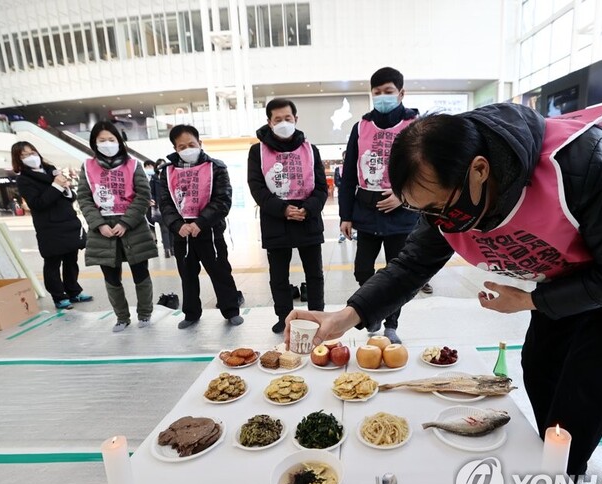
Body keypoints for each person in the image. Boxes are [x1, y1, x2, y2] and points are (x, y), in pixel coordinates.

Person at [286, 103, 602, 476]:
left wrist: (532, 300)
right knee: (540, 363)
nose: (436, 222)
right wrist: (346, 316)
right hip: (566, 269)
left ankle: (564, 474)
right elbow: (412, 264)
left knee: (587, 376)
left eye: (439, 209)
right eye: (423, 211)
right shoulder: (446, 193)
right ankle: (552, 445)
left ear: (479, 169)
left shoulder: (585, 163)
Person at [338, 66, 426, 344]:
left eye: (388, 91)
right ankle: (373, 310)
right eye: (376, 92)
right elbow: (349, 174)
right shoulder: (360, 127)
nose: (382, 97)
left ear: (401, 93)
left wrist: (403, 196)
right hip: (366, 211)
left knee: (396, 273)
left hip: (402, 214)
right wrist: (345, 215)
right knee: (362, 269)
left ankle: (391, 324)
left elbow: (425, 171)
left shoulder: (415, 125)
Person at [247, 98, 327, 334]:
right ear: (269, 122)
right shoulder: (257, 151)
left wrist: (308, 209)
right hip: (275, 221)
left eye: (288, 118)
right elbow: (256, 187)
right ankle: (284, 317)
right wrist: (282, 209)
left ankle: (316, 316)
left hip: (307, 219)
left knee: (314, 274)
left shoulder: (310, 150)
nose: (283, 123)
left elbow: (321, 188)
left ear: (296, 119)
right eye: (278, 119)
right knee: (278, 276)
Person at [157, 124, 244, 329]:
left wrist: (201, 222)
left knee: (220, 272)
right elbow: (165, 203)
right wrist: (177, 224)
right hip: (182, 234)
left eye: (191, 144)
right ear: (175, 148)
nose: (187, 149)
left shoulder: (216, 168)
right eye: (182, 146)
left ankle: (231, 310)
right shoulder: (167, 172)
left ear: (200, 143)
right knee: (187, 275)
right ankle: (191, 313)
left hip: (210, 232)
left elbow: (223, 200)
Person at [77, 121, 158, 332]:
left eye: (111, 139)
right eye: (102, 140)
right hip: (102, 231)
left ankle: (145, 314)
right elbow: (84, 198)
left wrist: (125, 222)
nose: (107, 144)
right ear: (94, 143)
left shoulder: (133, 164)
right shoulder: (87, 167)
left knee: (141, 274)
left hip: (133, 227)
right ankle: (122, 317)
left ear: (119, 142)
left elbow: (143, 195)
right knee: (111, 278)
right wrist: (99, 225)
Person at [12, 142, 92, 310]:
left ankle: (74, 291)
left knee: (71, 260)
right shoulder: (24, 180)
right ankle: (59, 296)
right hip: (49, 227)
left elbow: (71, 197)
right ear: (18, 160)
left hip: (68, 222)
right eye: (24, 155)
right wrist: (56, 186)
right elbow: (38, 204)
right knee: (53, 263)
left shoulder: (51, 170)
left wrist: (66, 188)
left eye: (32, 152)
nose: (31, 157)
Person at [145, 159, 174, 258]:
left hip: (170, 206)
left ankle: (171, 247)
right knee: (164, 227)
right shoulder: (153, 179)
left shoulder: (170, 176)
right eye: (159, 165)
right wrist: (152, 199)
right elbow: (152, 192)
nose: (161, 167)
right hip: (158, 206)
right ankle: (167, 249)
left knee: (171, 227)